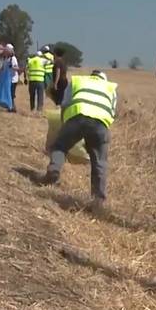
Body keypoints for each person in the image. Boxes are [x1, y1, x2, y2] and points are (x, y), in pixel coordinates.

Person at [43, 70, 118, 212]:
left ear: (92, 77)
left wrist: (65, 125)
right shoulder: (110, 88)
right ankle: (98, 200)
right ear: (104, 79)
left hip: (77, 117)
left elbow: (65, 103)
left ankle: (53, 171)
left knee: (60, 146)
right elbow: (112, 112)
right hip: (100, 124)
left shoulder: (78, 81)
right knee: (99, 162)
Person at [3, 44, 19, 112]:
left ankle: (12, 107)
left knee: (11, 94)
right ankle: (11, 107)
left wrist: (11, 67)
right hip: (8, 79)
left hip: (13, 79)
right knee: (9, 93)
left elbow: (17, 68)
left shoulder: (13, 58)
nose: (6, 52)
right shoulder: (7, 59)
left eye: (7, 50)